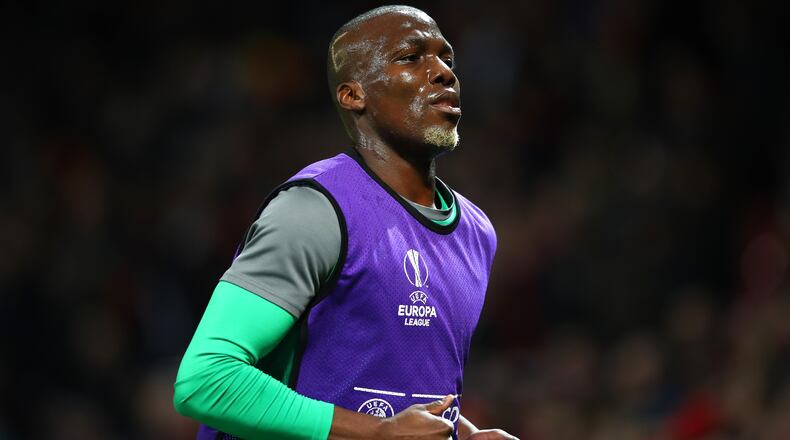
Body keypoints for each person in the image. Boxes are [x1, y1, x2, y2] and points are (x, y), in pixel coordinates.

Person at [174, 5, 517, 440]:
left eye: (446, 59)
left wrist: (460, 435)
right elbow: (205, 380)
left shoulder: (476, 233)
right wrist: (374, 434)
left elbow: (398, 389)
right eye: (412, 58)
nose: (443, 72)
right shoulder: (313, 211)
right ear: (354, 95)